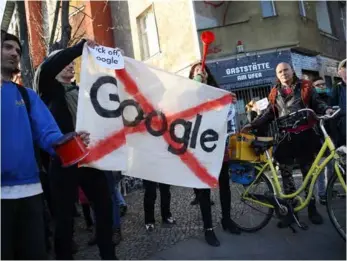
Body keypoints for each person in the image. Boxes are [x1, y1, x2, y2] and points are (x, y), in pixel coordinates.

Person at [0, 30, 88, 259]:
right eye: (7, 47)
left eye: (17, 50)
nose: (14, 53)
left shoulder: (27, 96)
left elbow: (49, 134)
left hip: (30, 193)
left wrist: (70, 141)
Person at [34, 39, 116, 260]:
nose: (71, 65)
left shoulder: (83, 91)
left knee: (105, 208)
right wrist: (78, 49)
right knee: (64, 216)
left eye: (73, 63)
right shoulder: (48, 89)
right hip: (63, 161)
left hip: (90, 159)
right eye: (66, 61)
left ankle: (108, 254)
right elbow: (47, 67)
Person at [244, 62, 333, 227]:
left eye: (286, 70)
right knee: (286, 178)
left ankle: (312, 209)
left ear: (292, 71)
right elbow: (269, 113)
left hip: (306, 137)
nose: (283, 73)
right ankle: (291, 212)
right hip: (286, 139)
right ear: (277, 75)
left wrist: (326, 110)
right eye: (280, 71)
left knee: (309, 175)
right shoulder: (274, 92)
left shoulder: (305, 87)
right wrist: (253, 124)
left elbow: (317, 102)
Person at [188, 62, 241, 247]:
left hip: (219, 147)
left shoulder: (218, 93)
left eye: (202, 70)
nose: (200, 72)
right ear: (191, 75)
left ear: (208, 74)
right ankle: (208, 228)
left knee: (225, 185)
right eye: (196, 71)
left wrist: (230, 101)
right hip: (199, 150)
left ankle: (226, 219)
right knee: (203, 190)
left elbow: (228, 118)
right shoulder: (187, 95)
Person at [312, 77, 334, 205]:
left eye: (323, 84)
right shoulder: (313, 100)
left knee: (331, 166)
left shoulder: (329, 97)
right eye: (318, 85)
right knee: (320, 167)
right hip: (317, 136)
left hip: (329, 136)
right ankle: (321, 194)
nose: (321, 86)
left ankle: (329, 190)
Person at [330, 59, 346, 148]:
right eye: (344, 68)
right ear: (339, 73)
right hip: (343, 133)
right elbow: (332, 111)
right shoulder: (337, 89)